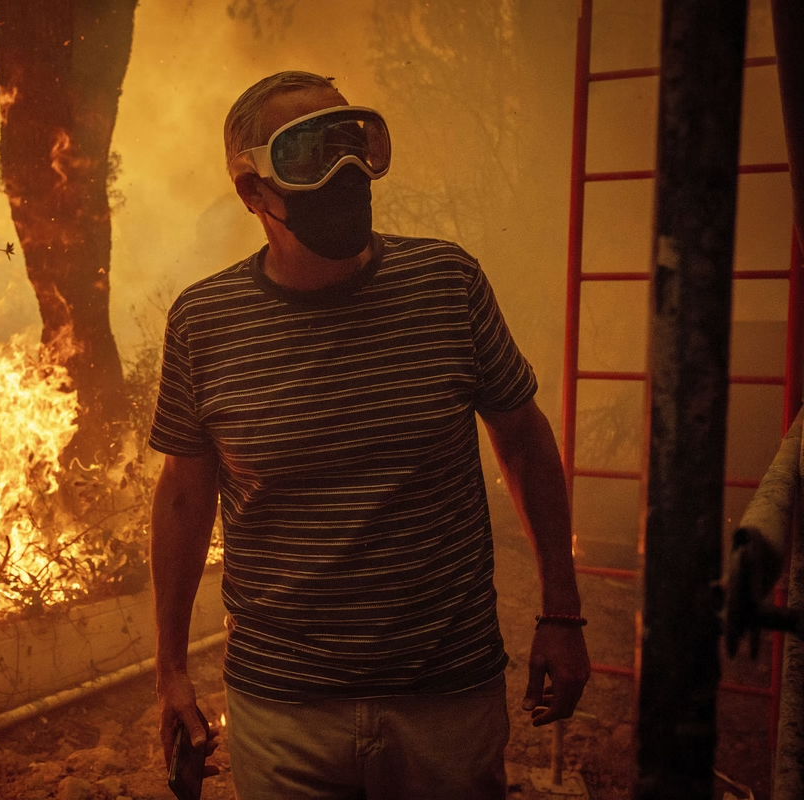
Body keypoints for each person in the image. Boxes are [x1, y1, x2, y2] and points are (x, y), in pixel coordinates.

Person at [148, 70, 590, 800]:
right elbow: (185, 500)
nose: (346, 172)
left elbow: (524, 440)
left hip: (448, 699)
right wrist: (170, 672)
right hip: (283, 713)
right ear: (254, 192)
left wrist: (563, 611)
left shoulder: (447, 282)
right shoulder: (204, 322)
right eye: (310, 154)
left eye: (353, 143)